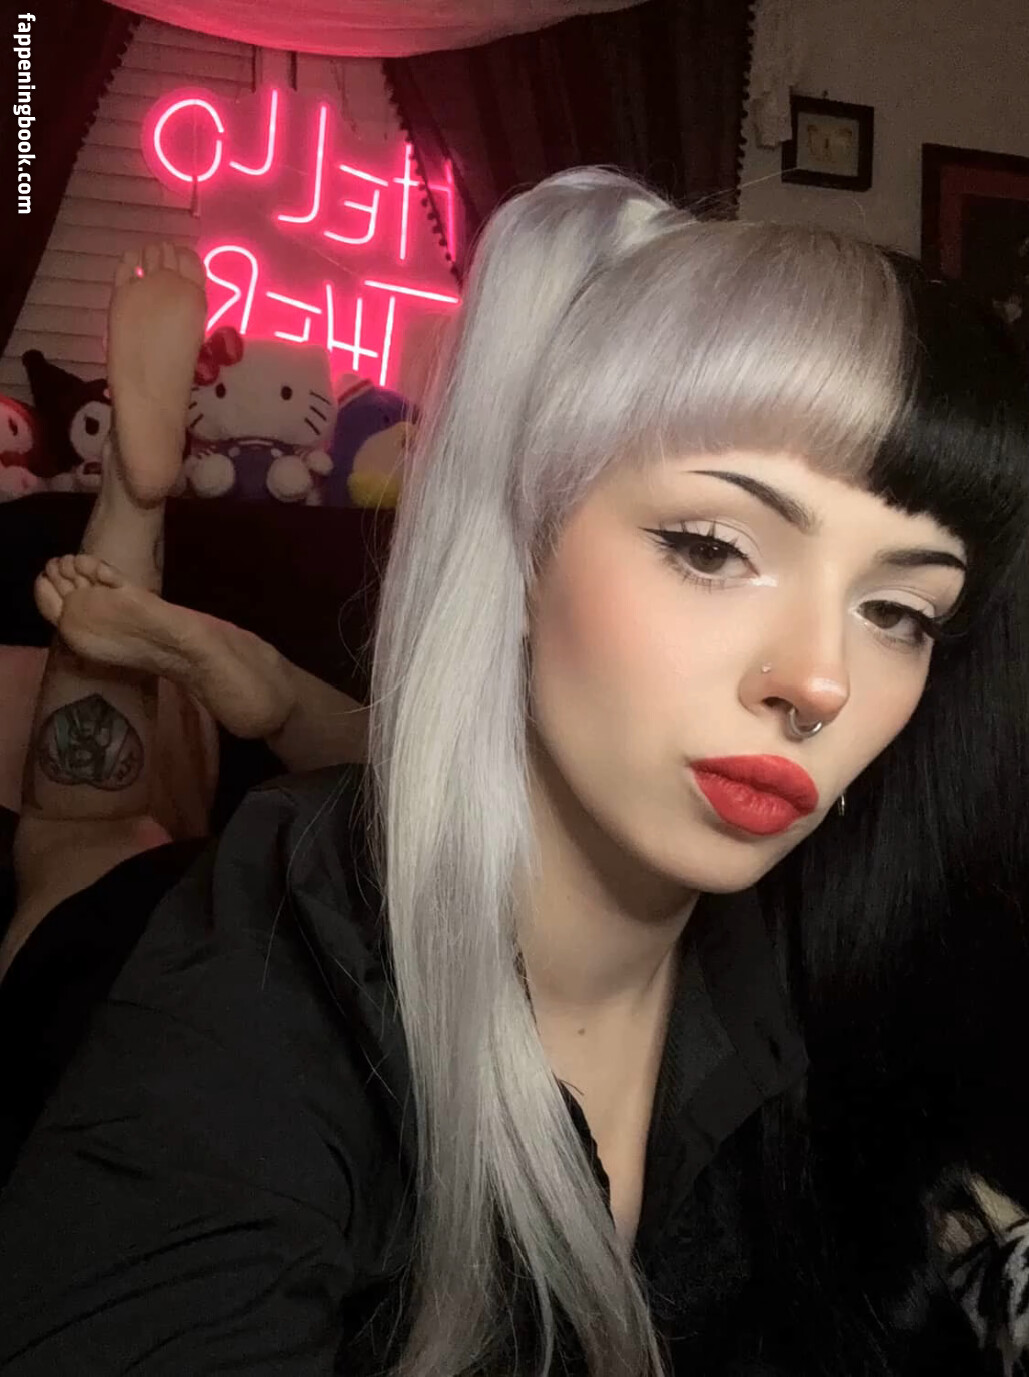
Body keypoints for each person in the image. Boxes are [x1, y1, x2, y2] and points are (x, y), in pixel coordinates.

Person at [1, 169, 1028, 1376]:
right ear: (524, 544)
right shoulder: (261, 988)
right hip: (113, 916)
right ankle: (136, 503)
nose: (821, 681)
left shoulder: (833, 951)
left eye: (900, 611)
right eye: (712, 547)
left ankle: (269, 689)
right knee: (79, 843)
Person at [0, 243, 369, 1173]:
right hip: (299, 982)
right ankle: (272, 685)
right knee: (439, 825)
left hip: (116, 998)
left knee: (80, 833)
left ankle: (133, 498)